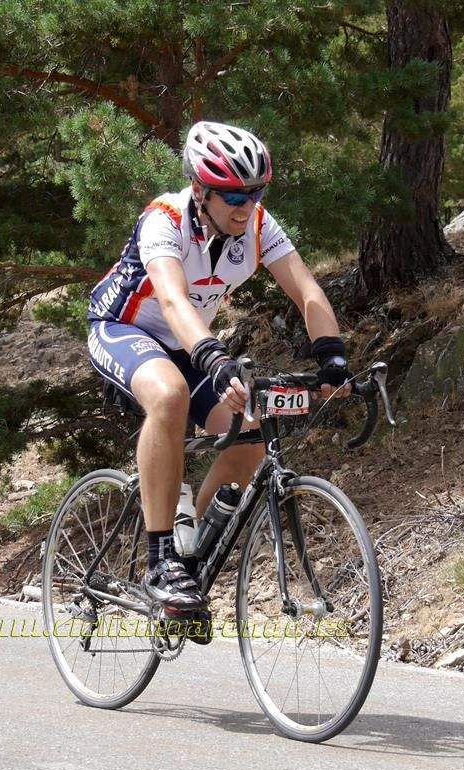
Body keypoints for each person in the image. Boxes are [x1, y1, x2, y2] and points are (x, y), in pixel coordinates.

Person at [86, 121, 350, 615]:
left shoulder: (256, 225)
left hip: (190, 341)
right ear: (201, 190)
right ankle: (160, 556)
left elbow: (307, 291)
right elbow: (171, 299)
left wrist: (332, 355)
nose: (245, 205)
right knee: (168, 395)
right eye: (232, 195)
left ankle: (189, 560)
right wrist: (213, 356)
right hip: (124, 329)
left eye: (255, 192)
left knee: (248, 431)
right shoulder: (163, 220)